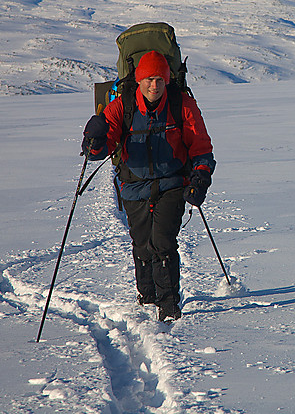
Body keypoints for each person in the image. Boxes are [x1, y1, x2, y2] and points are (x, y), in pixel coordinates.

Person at [81, 50, 215, 322]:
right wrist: (93, 143)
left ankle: (168, 305)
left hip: (173, 182)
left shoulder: (182, 104)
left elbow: (201, 147)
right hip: (133, 185)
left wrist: (200, 178)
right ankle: (147, 297)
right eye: (149, 79)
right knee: (142, 244)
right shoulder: (123, 105)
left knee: (163, 242)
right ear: (139, 80)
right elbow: (104, 145)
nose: (155, 85)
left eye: (160, 80)